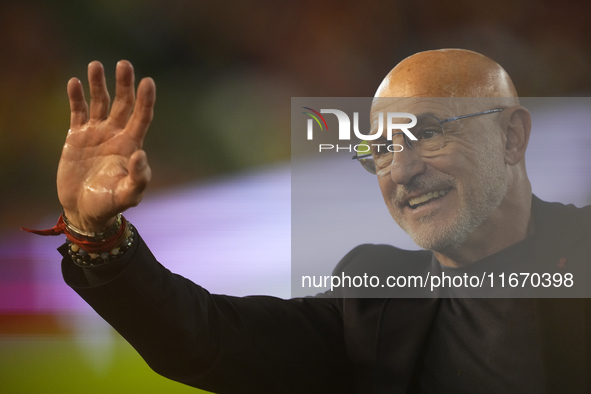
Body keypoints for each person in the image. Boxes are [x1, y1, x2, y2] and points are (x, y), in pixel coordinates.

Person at [41, 49, 589, 393]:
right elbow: (207, 339)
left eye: (426, 134)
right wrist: (96, 237)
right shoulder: (374, 291)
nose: (402, 170)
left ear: (512, 136)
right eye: (378, 149)